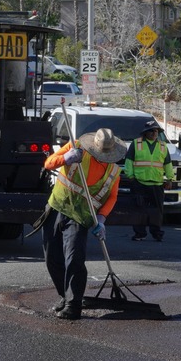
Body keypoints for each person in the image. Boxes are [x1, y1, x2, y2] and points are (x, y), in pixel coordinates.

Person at [42, 128, 125, 320]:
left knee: (74, 259)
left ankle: (73, 305)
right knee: (51, 257)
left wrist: (102, 219)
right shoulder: (76, 147)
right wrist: (66, 158)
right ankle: (64, 296)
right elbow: (48, 163)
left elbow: (112, 197)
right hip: (57, 207)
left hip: (80, 217)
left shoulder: (113, 171)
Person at [125, 120, 174, 242]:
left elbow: (168, 164)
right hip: (139, 183)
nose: (154, 133)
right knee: (138, 210)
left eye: (156, 131)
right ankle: (140, 234)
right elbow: (129, 161)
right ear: (145, 133)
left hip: (157, 184)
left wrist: (169, 179)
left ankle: (157, 233)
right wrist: (130, 176)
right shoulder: (136, 143)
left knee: (157, 211)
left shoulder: (163, 146)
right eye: (151, 130)